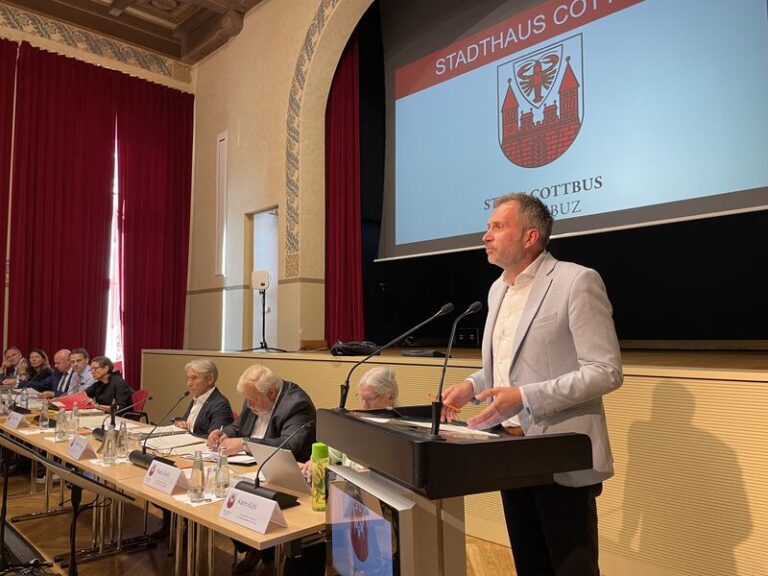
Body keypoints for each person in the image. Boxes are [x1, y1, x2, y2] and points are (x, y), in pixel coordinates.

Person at [441, 192, 623, 576]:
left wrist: (525, 396)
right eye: (488, 227)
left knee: (572, 568)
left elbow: (605, 370)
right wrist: (472, 385)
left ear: (530, 236)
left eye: (497, 227)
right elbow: (512, 366)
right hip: (510, 453)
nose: (486, 235)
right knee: (530, 565)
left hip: (560, 451)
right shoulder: (497, 289)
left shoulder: (576, 281)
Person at [207, 364, 315, 576]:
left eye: (253, 400)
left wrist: (244, 443)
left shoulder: (297, 404)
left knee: (237, 495)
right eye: (247, 400)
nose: (249, 405)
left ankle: (265, 553)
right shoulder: (254, 396)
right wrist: (223, 433)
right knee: (218, 493)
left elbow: (289, 445)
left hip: (286, 477)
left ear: (272, 393)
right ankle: (252, 548)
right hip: (251, 468)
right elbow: (238, 426)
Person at [299, 366, 398, 478]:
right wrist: (315, 461)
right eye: (362, 398)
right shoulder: (355, 423)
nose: (364, 406)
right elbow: (333, 451)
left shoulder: (401, 432)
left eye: (370, 399)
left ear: (391, 397)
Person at [173, 359, 233, 435]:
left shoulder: (220, 404)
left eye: (194, 378)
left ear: (210, 379)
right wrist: (180, 422)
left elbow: (213, 438)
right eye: (188, 378)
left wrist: (187, 435)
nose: (188, 384)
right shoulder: (198, 398)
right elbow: (187, 424)